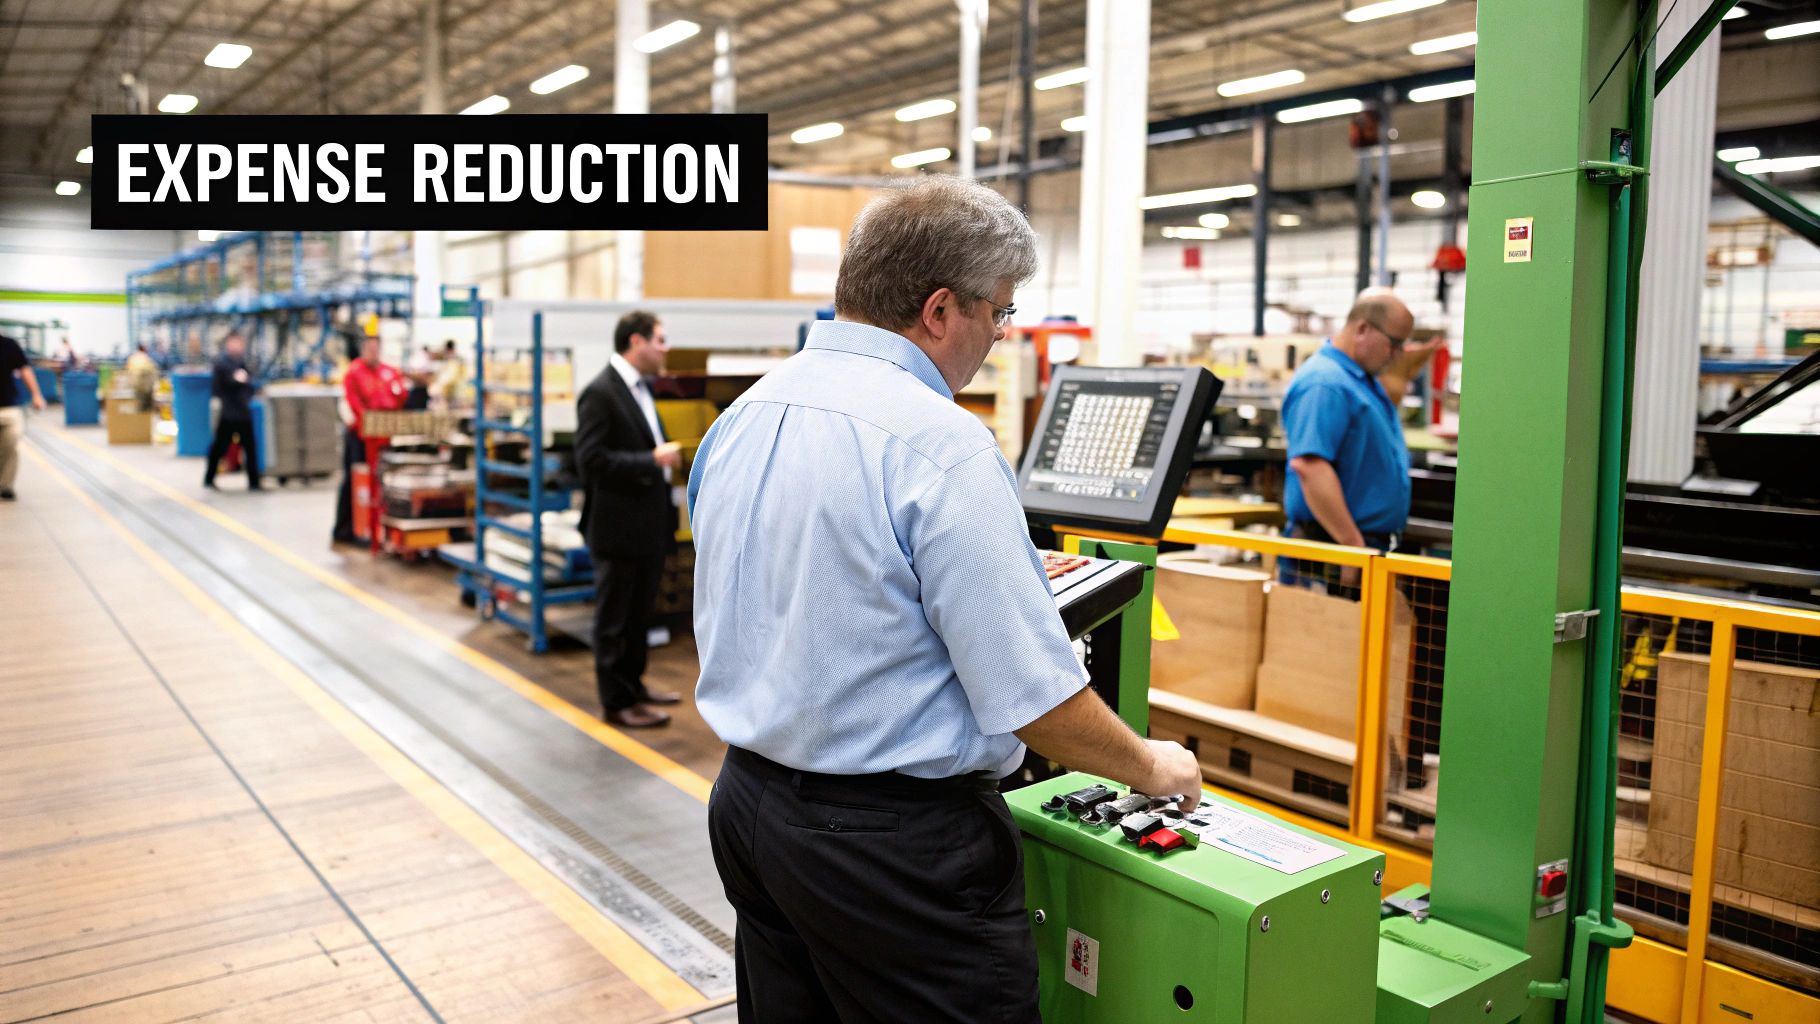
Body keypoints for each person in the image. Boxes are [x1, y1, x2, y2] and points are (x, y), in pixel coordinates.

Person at [687, 176, 1204, 1021]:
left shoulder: (744, 415)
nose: (999, 336)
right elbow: (1034, 699)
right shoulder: (942, 447)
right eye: (999, 313)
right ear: (938, 310)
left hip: (748, 810)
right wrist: (1152, 765)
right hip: (894, 853)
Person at [574, 311, 684, 728]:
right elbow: (590, 460)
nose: (664, 347)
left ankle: (634, 686)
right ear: (636, 342)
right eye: (660, 339)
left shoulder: (639, 389)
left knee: (639, 615)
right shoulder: (601, 393)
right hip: (616, 528)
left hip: (645, 527)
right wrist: (650, 459)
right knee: (615, 619)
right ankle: (616, 702)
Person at [1280, 289, 1419, 595]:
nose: (1397, 355)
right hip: (1336, 551)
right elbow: (1310, 467)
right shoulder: (1324, 383)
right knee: (1326, 641)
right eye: (1394, 344)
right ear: (1362, 329)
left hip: (1360, 549)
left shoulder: (1358, 380)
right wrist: (1352, 547)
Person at [332, 334, 406, 544]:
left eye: (376, 349)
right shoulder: (354, 373)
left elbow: (399, 397)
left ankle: (374, 528)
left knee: (378, 484)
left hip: (382, 438)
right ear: (363, 350)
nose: (373, 353)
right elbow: (355, 403)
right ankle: (348, 529)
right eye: (370, 349)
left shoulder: (388, 372)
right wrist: (368, 422)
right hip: (359, 437)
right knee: (355, 482)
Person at [202, 332, 262, 492]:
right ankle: (209, 478)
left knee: (250, 447)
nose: (238, 346)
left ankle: (254, 483)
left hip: (243, 412)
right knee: (220, 447)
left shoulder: (241, 362)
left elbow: (249, 381)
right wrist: (235, 379)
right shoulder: (221, 363)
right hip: (229, 413)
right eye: (235, 343)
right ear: (229, 343)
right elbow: (220, 386)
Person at [1, 333, 48, 501]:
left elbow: (24, 369)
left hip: (8, 406)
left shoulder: (8, 345)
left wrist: (36, 394)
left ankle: (5, 485)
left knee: (10, 445)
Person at [125, 343, 159, 412]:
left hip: (136, 384)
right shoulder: (146, 358)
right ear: (143, 349)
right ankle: (144, 418)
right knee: (145, 406)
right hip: (145, 385)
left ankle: (140, 417)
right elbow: (152, 371)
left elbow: (128, 371)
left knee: (139, 403)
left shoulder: (132, 358)